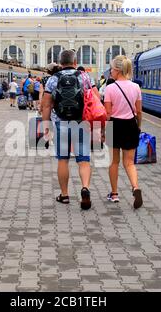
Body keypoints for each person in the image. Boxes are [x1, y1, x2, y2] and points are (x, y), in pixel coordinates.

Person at [42, 50, 94, 211]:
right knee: (83, 160)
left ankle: (64, 195)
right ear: (75, 61)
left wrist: (45, 125)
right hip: (82, 122)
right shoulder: (85, 77)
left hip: (61, 123)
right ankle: (85, 188)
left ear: (60, 63)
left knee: (63, 160)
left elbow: (46, 104)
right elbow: (95, 99)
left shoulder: (52, 79)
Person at [104, 55, 143, 210]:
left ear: (118, 70)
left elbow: (107, 113)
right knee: (129, 162)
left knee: (114, 162)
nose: (111, 72)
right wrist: (138, 127)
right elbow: (139, 111)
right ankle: (135, 187)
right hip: (131, 125)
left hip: (114, 124)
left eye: (112, 69)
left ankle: (114, 194)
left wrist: (103, 130)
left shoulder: (110, 88)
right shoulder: (136, 87)